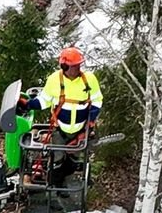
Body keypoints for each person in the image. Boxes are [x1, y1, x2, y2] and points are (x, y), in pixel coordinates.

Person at [18, 47, 103, 185]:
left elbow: (97, 100)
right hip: (60, 130)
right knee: (56, 160)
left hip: (81, 130)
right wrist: (27, 105)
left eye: (79, 65)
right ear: (64, 66)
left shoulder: (89, 80)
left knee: (73, 162)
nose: (77, 68)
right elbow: (44, 100)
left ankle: (66, 183)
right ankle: (54, 188)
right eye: (74, 65)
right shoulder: (54, 80)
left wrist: (90, 122)